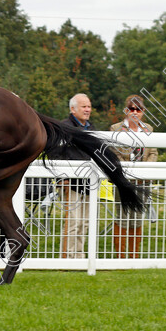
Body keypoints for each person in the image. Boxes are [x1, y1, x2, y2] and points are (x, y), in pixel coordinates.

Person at [110, 94, 157, 259]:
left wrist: (144, 171)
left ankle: (134, 257)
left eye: (138, 109)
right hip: (123, 182)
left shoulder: (149, 129)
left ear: (143, 111)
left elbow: (153, 152)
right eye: (131, 109)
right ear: (126, 110)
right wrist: (129, 174)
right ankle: (121, 257)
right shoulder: (115, 129)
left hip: (142, 182)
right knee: (122, 217)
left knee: (137, 219)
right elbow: (116, 154)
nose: (135, 112)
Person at [48, 93, 94, 259]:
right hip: (71, 183)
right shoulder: (63, 127)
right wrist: (63, 178)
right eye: (84, 106)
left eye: (89, 106)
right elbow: (54, 153)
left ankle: (79, 257)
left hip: (90, 183)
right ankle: (66, 258)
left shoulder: (92, 128)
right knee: (73, 222)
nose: (87, 109)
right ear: (73, 109)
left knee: (85, 223)